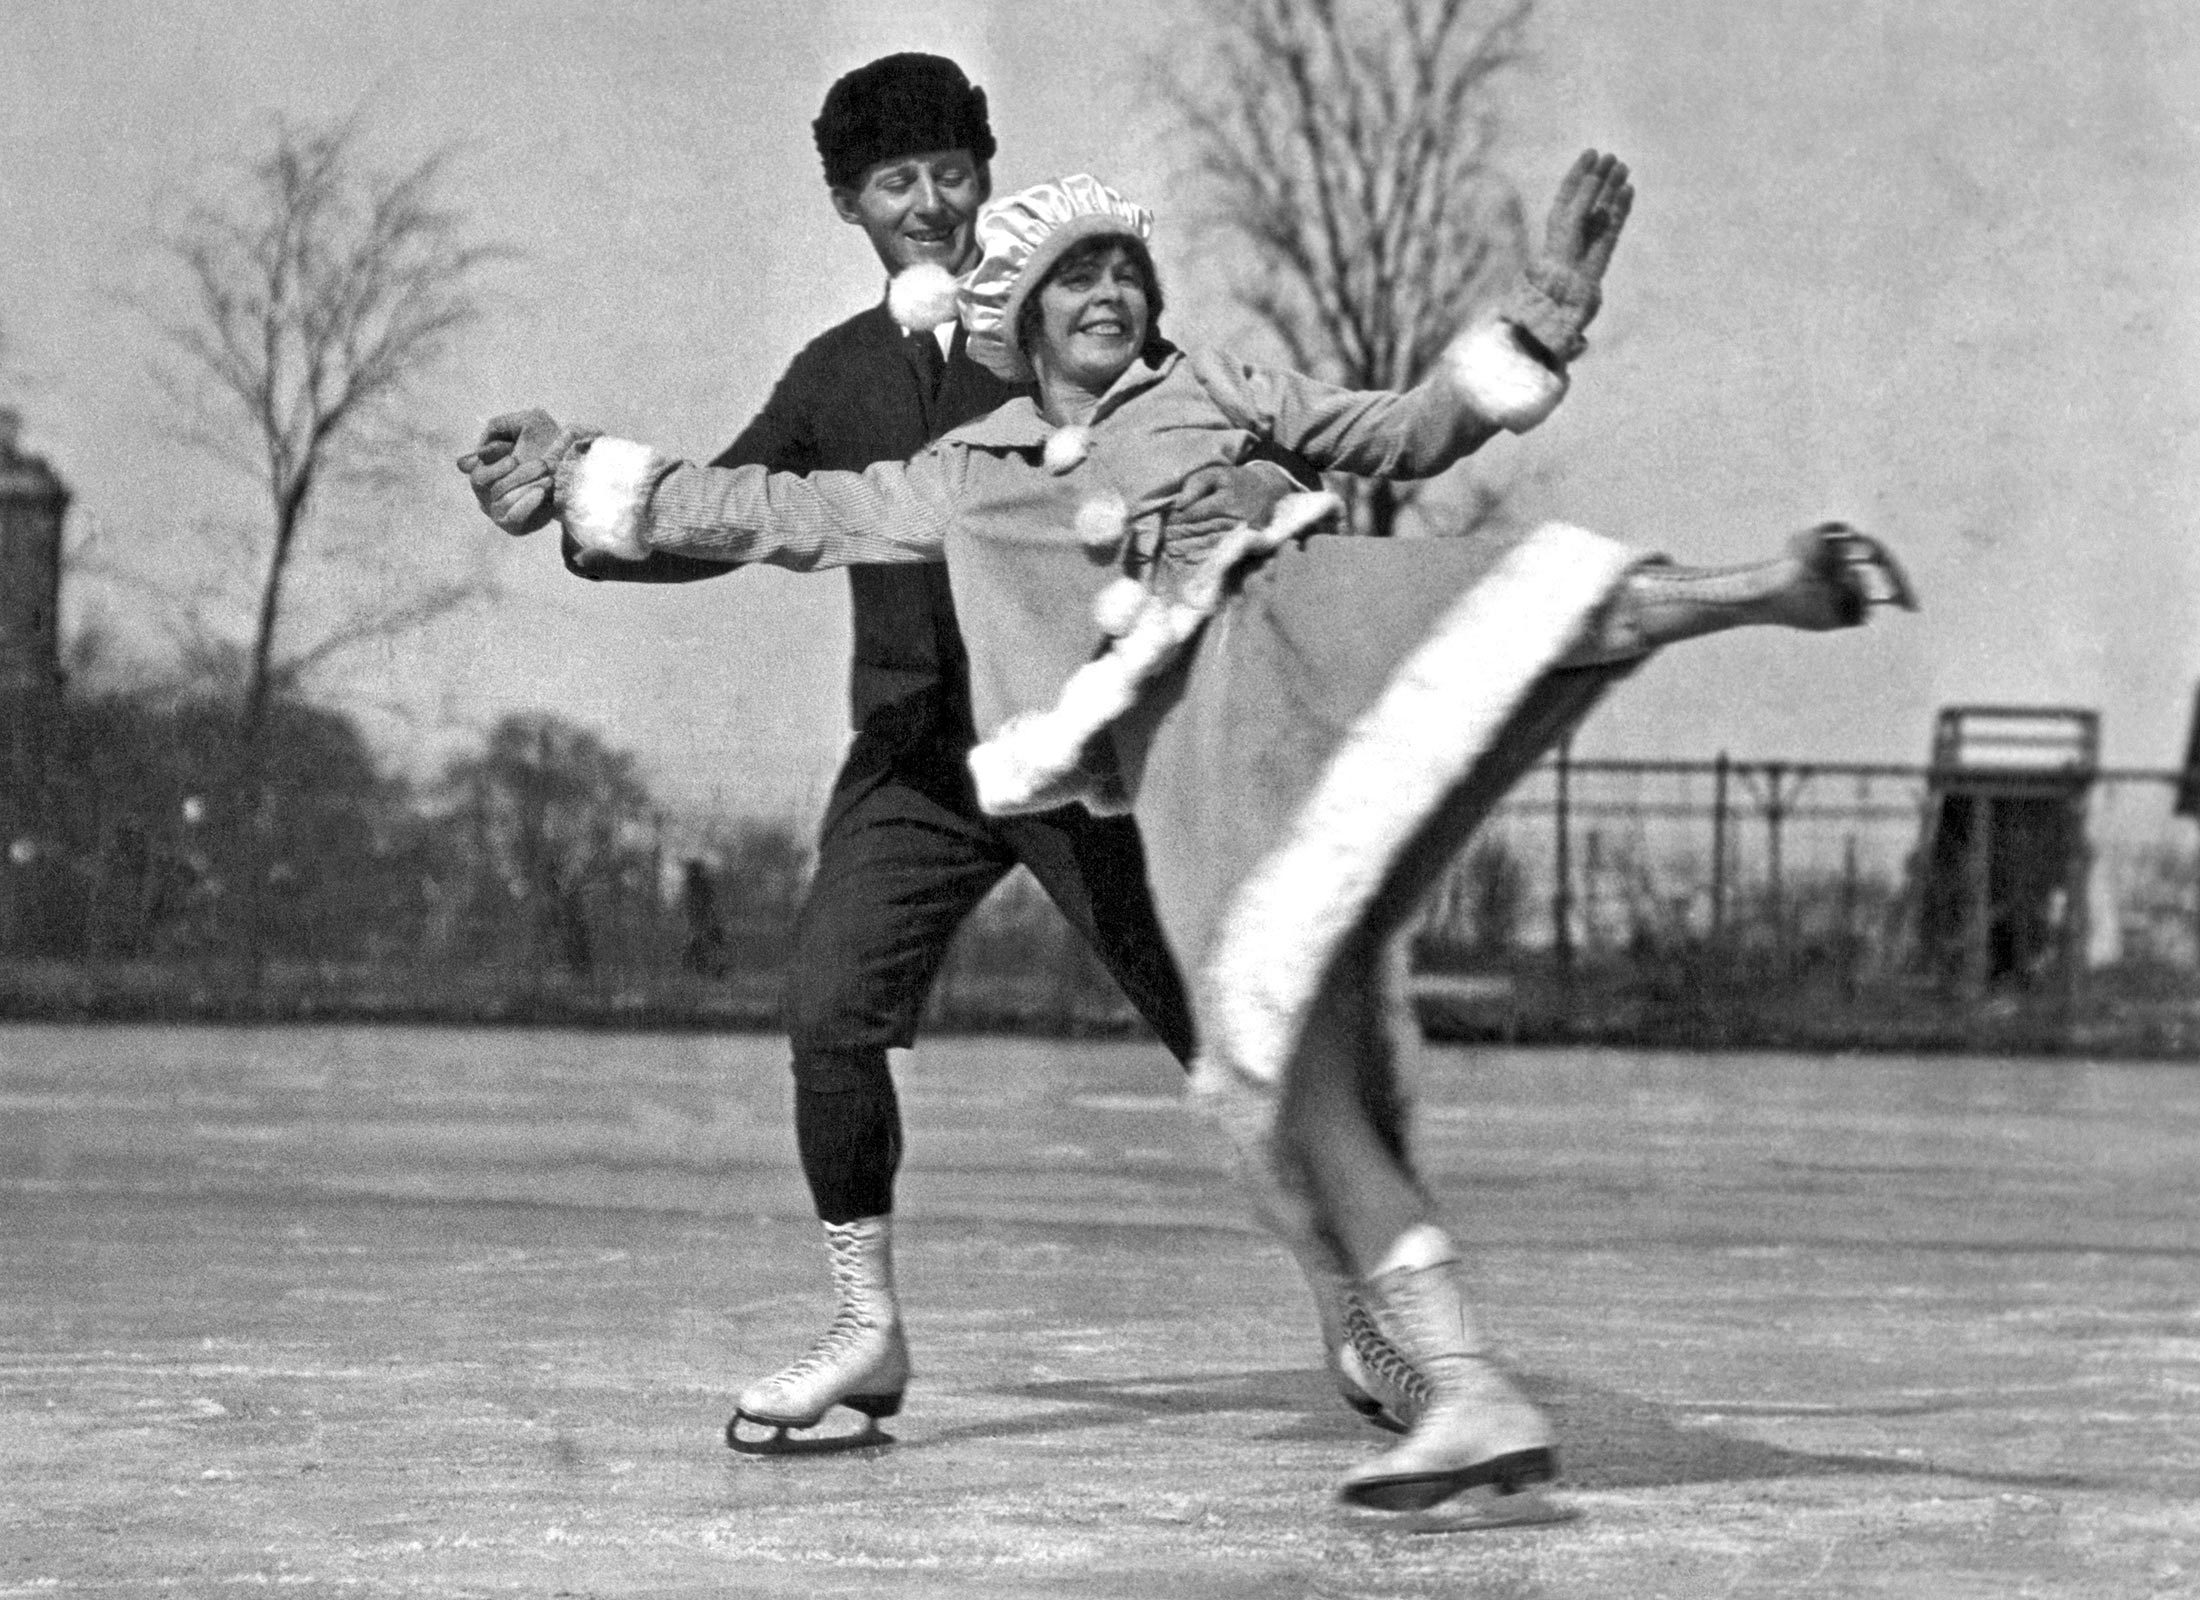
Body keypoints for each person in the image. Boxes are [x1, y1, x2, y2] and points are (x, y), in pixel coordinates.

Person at [475, 155, 1915, 1523]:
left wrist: (1544, 311)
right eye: (1079, 276)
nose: (1111, 292)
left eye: (1126, 269)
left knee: (1498, 596)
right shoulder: (967, 469)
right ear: (1023, 313)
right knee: (1276, 1066)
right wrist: (593, 475)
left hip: (1305, 640)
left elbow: (1407, 430)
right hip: (1202, 772)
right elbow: (784, 509)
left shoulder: (1214, 383)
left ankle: (1756, 588)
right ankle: (1464, 1385)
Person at [458, 54, 1426, 1455]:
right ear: (849, 203)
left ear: (987, 172)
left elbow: (1230, 451)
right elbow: (746, 509)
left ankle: (1359, 1310)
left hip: (1086, 740)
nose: (928, 202)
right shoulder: (839, 376)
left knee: (1232, 1027)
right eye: (894, 180)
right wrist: (577, 499)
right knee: (828, 1017)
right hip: (919, 754)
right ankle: (866, 1332)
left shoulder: (1083, 341)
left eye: (950, 171)